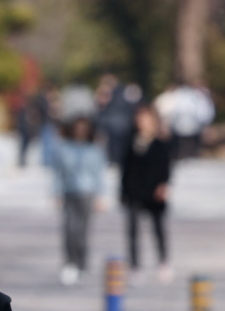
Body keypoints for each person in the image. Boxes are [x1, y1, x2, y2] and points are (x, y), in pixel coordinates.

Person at [121, 104, 174, 284]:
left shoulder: (160, 143)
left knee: (158, 229)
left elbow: (165, 167)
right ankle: (135, 266)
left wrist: (163, 185)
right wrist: (123, 191)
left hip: (154, 192)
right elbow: (125, 169)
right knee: (133, 230)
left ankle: (163, 261)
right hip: (135, 192)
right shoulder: (132, 142)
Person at [52, 116, 108, 286]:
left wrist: (100, 196)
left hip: (87, 193)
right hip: (69, 192)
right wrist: (56, 193)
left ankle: (82, 264)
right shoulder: (64, 148)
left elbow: (98, 174)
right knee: (69, 229)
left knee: (82, 232)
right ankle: (70, 263)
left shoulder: (94, 149)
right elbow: (58, 173)